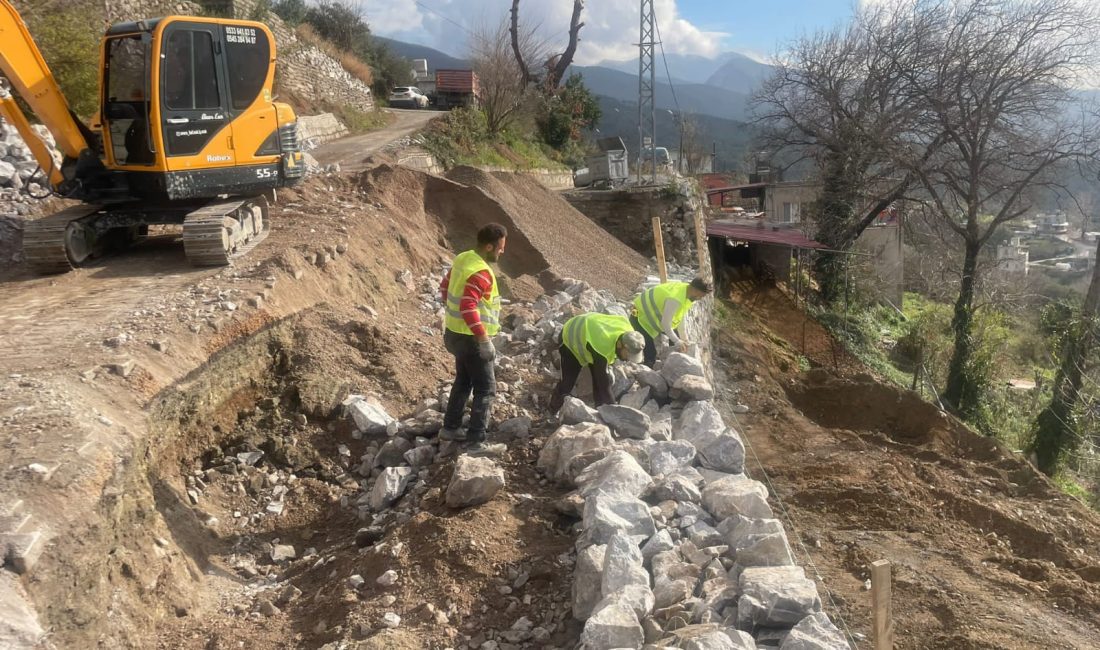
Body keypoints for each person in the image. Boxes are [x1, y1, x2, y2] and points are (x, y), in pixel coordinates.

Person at [438, 223, 508, 455]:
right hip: (471, 340)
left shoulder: (463, 258)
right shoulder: (481, 272)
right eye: (500, 248)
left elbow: (445, 288)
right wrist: (483, 340)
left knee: (463, 381)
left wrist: (452, 315)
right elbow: (468, 306)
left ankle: (450, 428)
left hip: (455, 334)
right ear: (489, 246)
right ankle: (476, 441)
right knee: (486, 389)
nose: (502, 252)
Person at [549, 313, 647, 412]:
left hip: (591, 335)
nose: (628, 359)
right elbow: (603, 384)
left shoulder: (630, 333)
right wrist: (614, 413)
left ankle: (599, 409)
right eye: (628, 355)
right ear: (620, 345)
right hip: (571, 335)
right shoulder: (602, 347)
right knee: (567, 383)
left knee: (599, 376)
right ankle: (552, 410)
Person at [630, 276, 712, 367]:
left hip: (650, 316)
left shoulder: (686, 292)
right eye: (701, 295)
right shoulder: (675, 299)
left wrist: (684, 339)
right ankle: (645, 372)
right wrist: (677, 341)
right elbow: (665, 324)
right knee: (651, 354)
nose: (700, 298)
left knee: (677, 341)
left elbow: (680, 317)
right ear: (695, 290)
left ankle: (671, 360)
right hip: (639, 317)